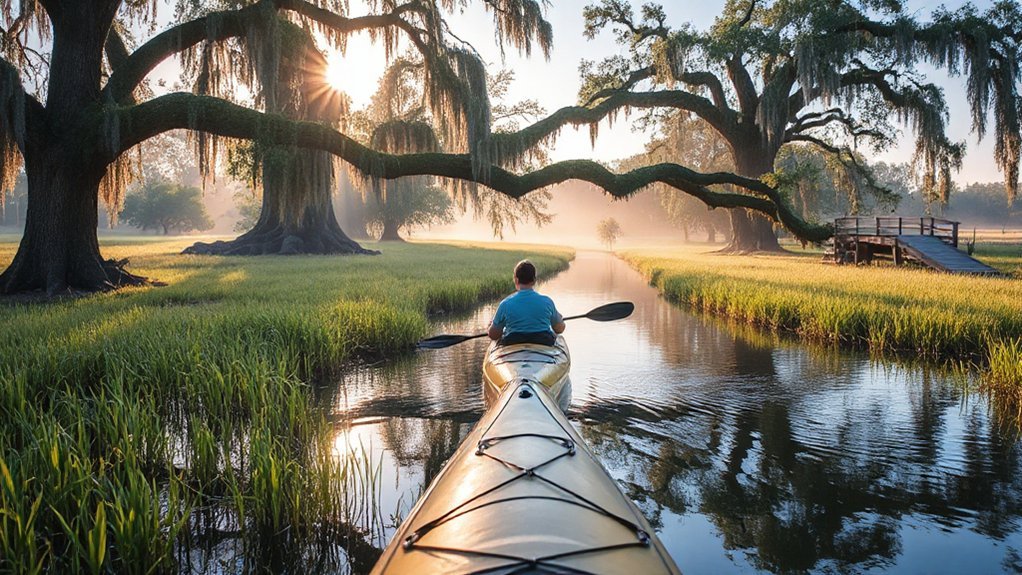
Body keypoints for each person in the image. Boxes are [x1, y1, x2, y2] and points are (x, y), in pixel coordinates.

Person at [487, 259, 565, 346]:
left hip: (513, 343)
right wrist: (560, 320)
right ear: (534, 280)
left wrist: (491, 326)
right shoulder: (547, 302)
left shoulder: (505, 304)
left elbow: (493, 335)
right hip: (543, 343)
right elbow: (559, 329)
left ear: (516, 280)